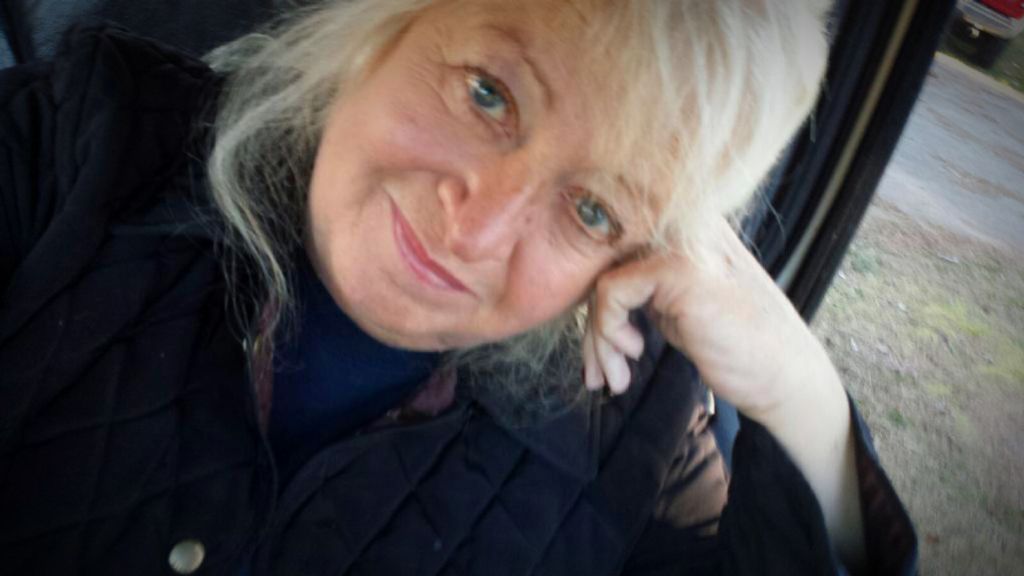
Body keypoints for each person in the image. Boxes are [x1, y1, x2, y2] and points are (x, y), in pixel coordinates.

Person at [0, 0, 917, 574]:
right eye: (487, 94)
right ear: (385, 24)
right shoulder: (81, 146)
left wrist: (804, 397)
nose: (474, 231)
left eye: (593, 210)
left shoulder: (635, 431)